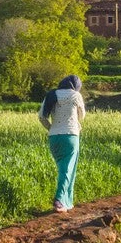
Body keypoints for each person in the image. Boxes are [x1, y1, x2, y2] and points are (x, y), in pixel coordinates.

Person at [38, 74, 86, 213]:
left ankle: (66, 203)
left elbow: (41, 116)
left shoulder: (52, 95)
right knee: (68, 169)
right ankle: (59, 200)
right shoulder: (76, 95)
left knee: (63, 169)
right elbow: (82, 115)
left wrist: (51, 127)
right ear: (76, 86)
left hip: (54, 137)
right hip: (70, 136)